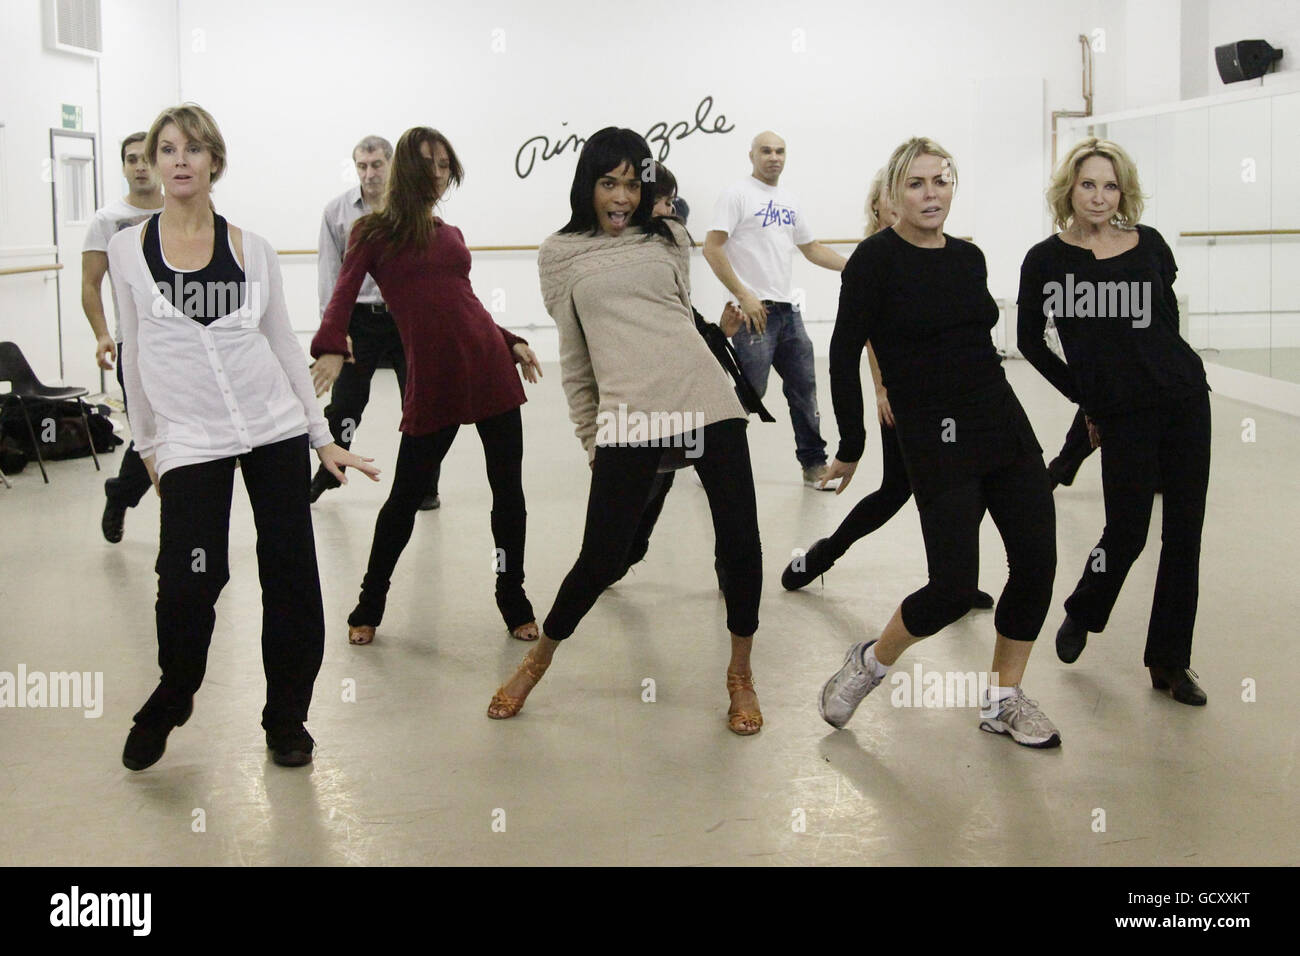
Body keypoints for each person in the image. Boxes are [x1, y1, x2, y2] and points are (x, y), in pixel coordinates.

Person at [108, 103, 379, 771]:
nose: (176, 159)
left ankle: (287, 717)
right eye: (164, 148)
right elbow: (132, 351)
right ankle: (175, 692)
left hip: (271, 426)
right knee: (189, 578)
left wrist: (321, 437)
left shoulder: (251, 249)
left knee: (290, 573)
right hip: (189, 437)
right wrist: (149, 448)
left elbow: (282, 346)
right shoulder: (128, 250)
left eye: (191, 149)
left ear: (212, 163)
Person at [492, 127, 765, 735]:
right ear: (586, 184)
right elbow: (577, 357)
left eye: (632, 183)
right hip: (629, 414)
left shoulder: (667, 236)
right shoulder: (559, 255)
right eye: (607, 183)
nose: (621, 196)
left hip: (705, 398)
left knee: (740, 543)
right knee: (601, 556)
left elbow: (676, 318)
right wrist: (593, 438)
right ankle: (539, 661)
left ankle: (740, 674)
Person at [818, 137, 1060, 748]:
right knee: (952, 589)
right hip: (935, 434)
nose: (932, 194)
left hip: (1000, 421)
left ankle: (1003, 700)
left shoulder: (967, 257)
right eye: (918, 183)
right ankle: (870, 661)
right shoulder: (874, 260)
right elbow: (843, 351)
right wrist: (851, 442)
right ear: (894, 192)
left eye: (941, 181)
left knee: (1036, 562)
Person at [312, 127, 543, 646]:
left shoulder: (449, 233)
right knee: (404, 498)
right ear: (405, 171)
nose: (438, 174)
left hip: (489, 371)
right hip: (434, 381)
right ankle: (370, 600)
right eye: (428, 164)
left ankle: (514, 594)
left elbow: (465, 303)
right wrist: (330, 341)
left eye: (444, 164)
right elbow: (342, 292)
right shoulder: (372, 233)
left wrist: (509, 340)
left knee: (509, 493)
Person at [1017, 137, 1211, 705]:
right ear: (1068, 191)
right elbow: (1031, 342)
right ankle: (1085, 606)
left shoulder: (1148, 245)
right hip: (1121, 414)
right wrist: (1091, 403)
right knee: (1125, 532)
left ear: (1121, 191)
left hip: (1182, 399)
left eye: (1109, 185)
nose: (1099, 196)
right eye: (1087, 185)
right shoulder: (1046, 260)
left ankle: (1170, 662)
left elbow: (1167, 322)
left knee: (1184, 535)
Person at [782, 166, 993, 611]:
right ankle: (825, 553)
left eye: (929, 187)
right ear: (880, 205)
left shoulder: (941, 254)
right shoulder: (873, 261)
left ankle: (958, 577)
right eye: (900, 195)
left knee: (960, 483)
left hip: (952, 401)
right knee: (897, 490)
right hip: (904, 399)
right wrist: (881, 392)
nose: (911, 202)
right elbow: (868, 342)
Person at [610, 162, 770, 586]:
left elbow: (686, 322)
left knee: (722, 496)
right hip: (651, 404)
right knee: (650, 490)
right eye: (663, 201)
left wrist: (719, 332)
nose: (672, 209)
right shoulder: (624, 262)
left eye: (671, 200)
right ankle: (619, 557)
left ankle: (730, 570)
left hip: (696, 403)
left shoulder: (668, 251)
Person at [703, 130, 846, 488]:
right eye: (765, 151)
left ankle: (814, 463)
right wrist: (744, 295)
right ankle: (709, 454)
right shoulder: (736, 195)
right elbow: (712, 248)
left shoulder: (790, 201)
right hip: (753, 312)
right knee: (751, 392)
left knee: (804, 388)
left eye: (780, 151)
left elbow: (811, 248)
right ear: (751, 155)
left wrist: (854, 266)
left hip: (788, 311)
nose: (773, 157)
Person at [310, 135, 442, 510]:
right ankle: (329, 472)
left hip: (406, 318)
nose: (369, 173)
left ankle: (425, 486)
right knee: (346, 403)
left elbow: (430, 271)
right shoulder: (336, 212)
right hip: (359, 320)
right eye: (362, 166)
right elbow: (329, 274)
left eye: (376, 165)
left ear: (391, 164)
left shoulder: (416, 209)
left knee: (419, 405)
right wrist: (334, 333)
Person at [85, 132, 164, 543]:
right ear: (124, 166)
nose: (140, 166)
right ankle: (122, 496)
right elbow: (90, 283)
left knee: (177, 431)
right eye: (132, 159)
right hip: (134, 344)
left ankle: (184, 528)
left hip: (185, 343)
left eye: (146, 158)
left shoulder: (183, 206)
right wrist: (102, 335)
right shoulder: (108, 220)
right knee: (151, 430)